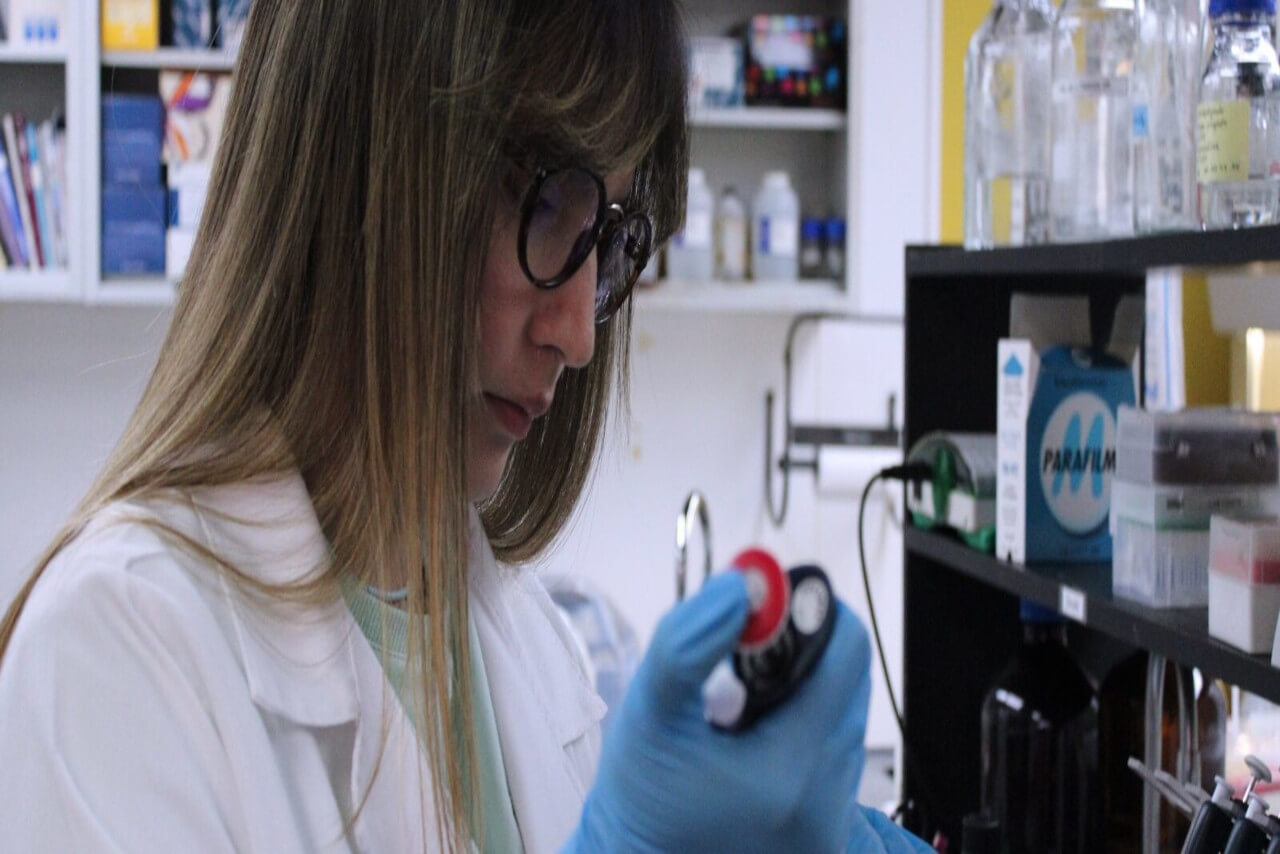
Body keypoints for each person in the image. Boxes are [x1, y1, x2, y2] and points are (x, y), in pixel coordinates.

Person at [0, 1, 931, 851]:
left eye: (606, 241)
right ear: (363, 167)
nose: (575, 333)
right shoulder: (111, 654)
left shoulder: (521, 639)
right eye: (545, 203)